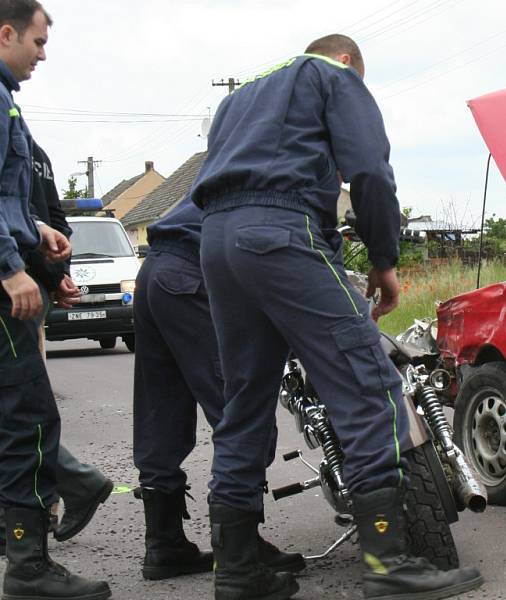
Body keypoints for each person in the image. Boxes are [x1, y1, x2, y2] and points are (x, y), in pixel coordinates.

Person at [191, 34, 483, 600]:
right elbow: (370, 171)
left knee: (245, 403)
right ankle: (388, 561)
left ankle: (237, 571)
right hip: (282, 232)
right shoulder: (333, 76)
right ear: (348, 60)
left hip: (217, 241)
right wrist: (384, 259)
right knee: (368, 384)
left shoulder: (239, 97)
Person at [133, 195, 304, 580]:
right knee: (243, 411)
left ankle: (164, 544)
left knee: (161, 408)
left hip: (154, 274)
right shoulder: (290, 173)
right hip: (191, 276)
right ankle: (242, 550)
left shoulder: (233, 159)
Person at [0, 2, 110, 598]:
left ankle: (23, 550)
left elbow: (3, 192)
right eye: (38, 42)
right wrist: (11, 268)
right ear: (6, 32)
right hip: (2, 289)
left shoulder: (5, 100)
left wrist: (33, 229)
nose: (42, 54)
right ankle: (28, 567)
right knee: (25, 420)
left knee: (14, 418)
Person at [0, 141, 114, 556]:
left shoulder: (14, 139)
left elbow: (31, 218)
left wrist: (31, 274)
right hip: (28, 284)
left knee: (18, 408)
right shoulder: (35, 150)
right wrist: (55, 274)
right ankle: (63, 490)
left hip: (13, 285)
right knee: (17, 405)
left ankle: (35, 517)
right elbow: (55, 220)